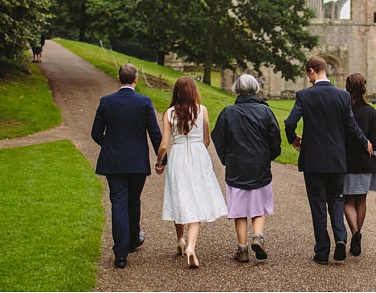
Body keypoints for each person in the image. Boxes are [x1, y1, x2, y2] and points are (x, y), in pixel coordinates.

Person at [284, 56, 372, 265]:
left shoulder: (304, 95)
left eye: (308, 74)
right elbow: (351, 126)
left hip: (313, 159)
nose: (308, 78)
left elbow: (290, 122)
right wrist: (364, 141)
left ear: (313, 71)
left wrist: (293, 139)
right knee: (336, 200)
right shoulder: (342, 96)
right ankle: (340, 238)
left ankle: (322, 251)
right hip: (336, 159)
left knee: (317, 205)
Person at [91, 63, 162, 269]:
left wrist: (110, 146)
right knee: (133, 200)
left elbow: (96, 134)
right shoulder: (144, 102)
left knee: (118, 203)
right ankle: (132, 240)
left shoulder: (106, 102)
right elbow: (154, 133)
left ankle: (121, 253)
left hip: (113, 161)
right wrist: (161, 159)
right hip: (137, 161)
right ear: (136, 80)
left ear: (118, 79)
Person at [156, 76, 227, 268]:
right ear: (194, 91)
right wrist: (199, 151)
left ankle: (181, 239)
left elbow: (163, 144)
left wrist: (159, 162)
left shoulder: (169, 113)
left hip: (178, 155)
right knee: (196, 199)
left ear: (177, 92)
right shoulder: (201, 110)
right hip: (198, 156)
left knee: (180, 196)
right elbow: (207, 139)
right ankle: (191, 247)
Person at [211, 74, 282, 263]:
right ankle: (258, 236)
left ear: (237, 89)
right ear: (256, 89)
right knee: (259, 206)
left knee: (240, 210)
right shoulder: (265, 112)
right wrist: (269, 157)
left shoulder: (228, 112)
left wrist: (227, 158)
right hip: (259, 165)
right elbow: (275, 138)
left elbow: (218, 138)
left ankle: (242, 249)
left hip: (236, 166)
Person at [341, 73, 376, 257]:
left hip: (345, 161)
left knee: (347, 201)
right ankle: (357, 235)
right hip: (365, 162)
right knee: (361, 201)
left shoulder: (343, 110)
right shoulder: (370, 111)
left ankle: (355, 233)